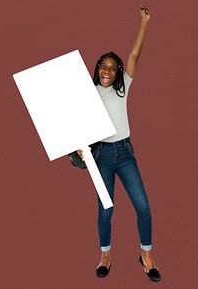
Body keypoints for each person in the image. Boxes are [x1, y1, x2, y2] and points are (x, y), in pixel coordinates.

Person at [78, 5, 161, 282]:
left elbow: (135, 53)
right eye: (104, 66)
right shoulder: (87, 94)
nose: (108, 70)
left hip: (124, 153)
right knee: (106, 209)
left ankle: (146, 255)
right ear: (97, 68)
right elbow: (74, 126)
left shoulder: (122, 87)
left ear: (119, 72)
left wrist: (144, 23)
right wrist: (79, 146)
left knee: (143, 206)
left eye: (113, 68)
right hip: (100, 154)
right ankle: (105, 255)